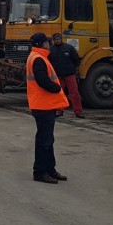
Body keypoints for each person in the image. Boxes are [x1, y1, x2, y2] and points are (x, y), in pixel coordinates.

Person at [26, 32, 70, 184]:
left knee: (48, 139)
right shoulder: (38, 59)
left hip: (43, 105)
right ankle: (40, 172)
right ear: (41, 44)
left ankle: (50, 169)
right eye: (46, 42)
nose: (48, 44)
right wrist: (57, 88)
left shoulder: (37, 57)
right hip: (42, 105)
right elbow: (42, 80)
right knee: (44, 140)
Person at [49, 33, 84, 118]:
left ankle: (78, 112)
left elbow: (76, 60)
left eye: (59, 39)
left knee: (74, 93)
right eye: (56, 39)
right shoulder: (50, 49)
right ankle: (59, 110)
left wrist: (75, 70)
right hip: (58, 76)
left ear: (61, 39)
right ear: (53, 40)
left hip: (69, 75)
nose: (58, 40)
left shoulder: (69, 48)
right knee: (59, 94)